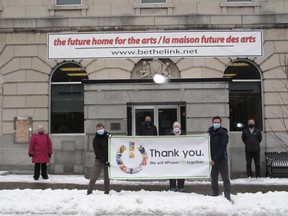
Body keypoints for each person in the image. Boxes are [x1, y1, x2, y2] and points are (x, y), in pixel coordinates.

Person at [207, 116, 231, 201]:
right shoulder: (209, 133)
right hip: (212, 160)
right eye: (215, 122)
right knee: (214, 178)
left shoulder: (224, 133)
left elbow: (222, 147)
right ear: (212, 122)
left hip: (221, 159)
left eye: (218, 122)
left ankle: (227, 195)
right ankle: (215, 194)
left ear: (220, 123)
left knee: (225, 178)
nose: (216, 124)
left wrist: (214, 159)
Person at [87, 123, 111, 195]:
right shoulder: (96, 139)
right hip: (99, 160)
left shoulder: (108, 136)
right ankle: (89, 191)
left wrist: (111, 137)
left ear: (103, 128)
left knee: (107, 178)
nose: (99, 130)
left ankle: (107, 191)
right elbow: (97, 151)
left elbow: (114, 144)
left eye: (101, 128)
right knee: (94, 177)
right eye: (98, 129)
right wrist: (103, 160)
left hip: (108, 160)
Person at [168, 121, 186, 192]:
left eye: (177, 126)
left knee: (181, 171)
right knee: (172, 171)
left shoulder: (183, 134)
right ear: (173, 127)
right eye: (175, 127)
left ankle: (181, 186)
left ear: (180, 127)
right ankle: (172, 186)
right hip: (172, 156)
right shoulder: (170, 135)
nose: (176, 128)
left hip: (181, 156)